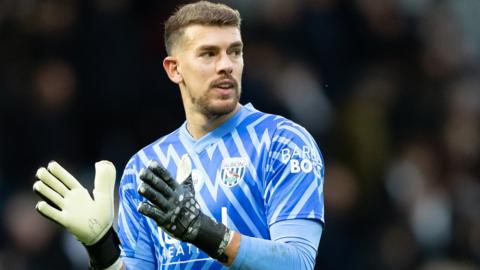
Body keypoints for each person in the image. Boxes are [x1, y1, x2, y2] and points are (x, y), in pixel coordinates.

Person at [32, 1, 325, 269]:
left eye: (234, 52)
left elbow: (297, 262)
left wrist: (202, 230)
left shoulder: (282, 142)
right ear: (175, 69)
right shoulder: (145, 168)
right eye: (209, 54)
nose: (226, 65)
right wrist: (101, 248)